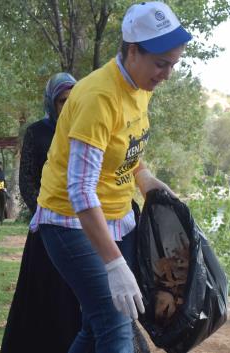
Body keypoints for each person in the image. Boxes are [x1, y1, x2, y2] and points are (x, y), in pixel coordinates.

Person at [31, 2, 190, 352]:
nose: (166, 74)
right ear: (133, 50)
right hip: (70, 221)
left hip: (118, 219)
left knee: (95, 325)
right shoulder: (99, 98)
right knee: (115, 322)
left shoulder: (140, 86)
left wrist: (145, 178)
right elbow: (80, 191)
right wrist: (114, 263)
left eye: (173, 64)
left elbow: (126, 150)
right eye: (161, 63)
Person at [2, 72, 79, 353]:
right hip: (48, 227)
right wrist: (50, 215)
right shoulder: (37, 132)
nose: (68, 106)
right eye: (62, 101)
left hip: (84, 226)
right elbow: (27, 182)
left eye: (73, 100)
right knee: (44, 295)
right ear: (51, 102)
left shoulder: (86, 126)